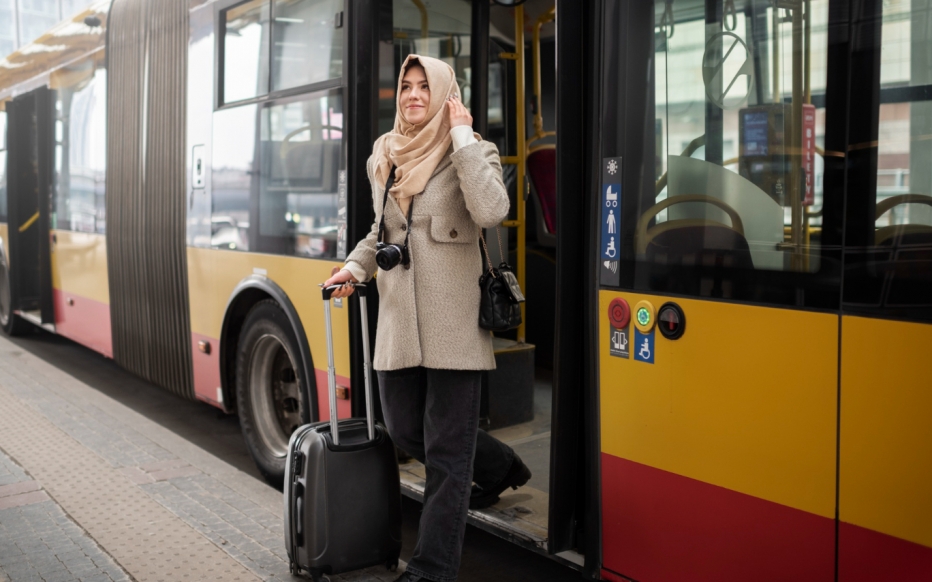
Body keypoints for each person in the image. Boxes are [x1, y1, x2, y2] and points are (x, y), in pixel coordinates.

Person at [322, 54, 531, 582]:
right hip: (398, 322)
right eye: (406, 86)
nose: (414, 95)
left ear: (444, 94)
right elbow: (379, 234)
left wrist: (461, 137)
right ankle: (501, 466)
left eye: (424, 87)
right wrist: (353, 268)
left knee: (445, 454)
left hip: (455, 325)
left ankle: (432, 569)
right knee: (406, 430)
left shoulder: (473, 149)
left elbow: (490, 211)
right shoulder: (384, 156)